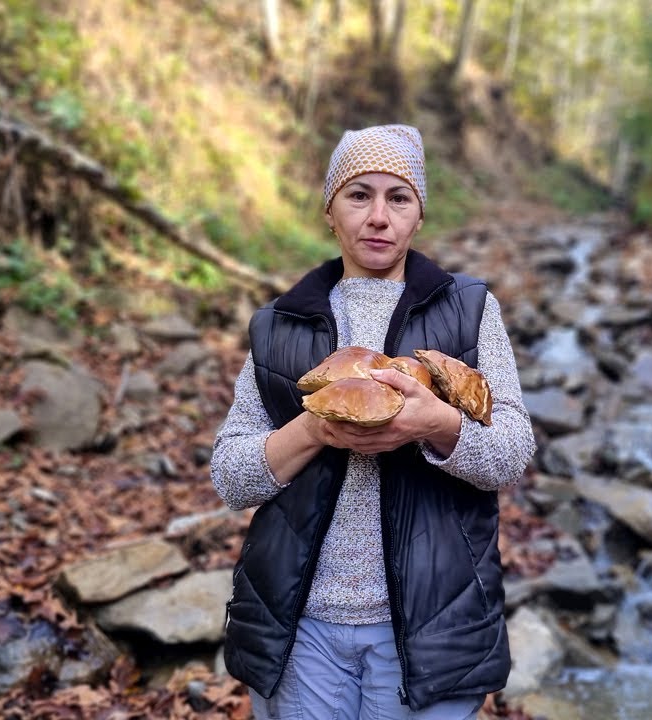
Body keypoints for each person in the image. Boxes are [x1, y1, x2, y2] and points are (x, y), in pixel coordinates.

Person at [211, 124, 536, 720]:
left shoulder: (467, 311)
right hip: (301, 628)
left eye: (399, 197)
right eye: (360, 195)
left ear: (419, 216)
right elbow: (232, 479)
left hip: (429, 625)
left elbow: (512, 452)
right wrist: (312, 429)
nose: (379, 216)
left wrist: (436, 423)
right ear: (330, 210)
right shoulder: (280, 325)